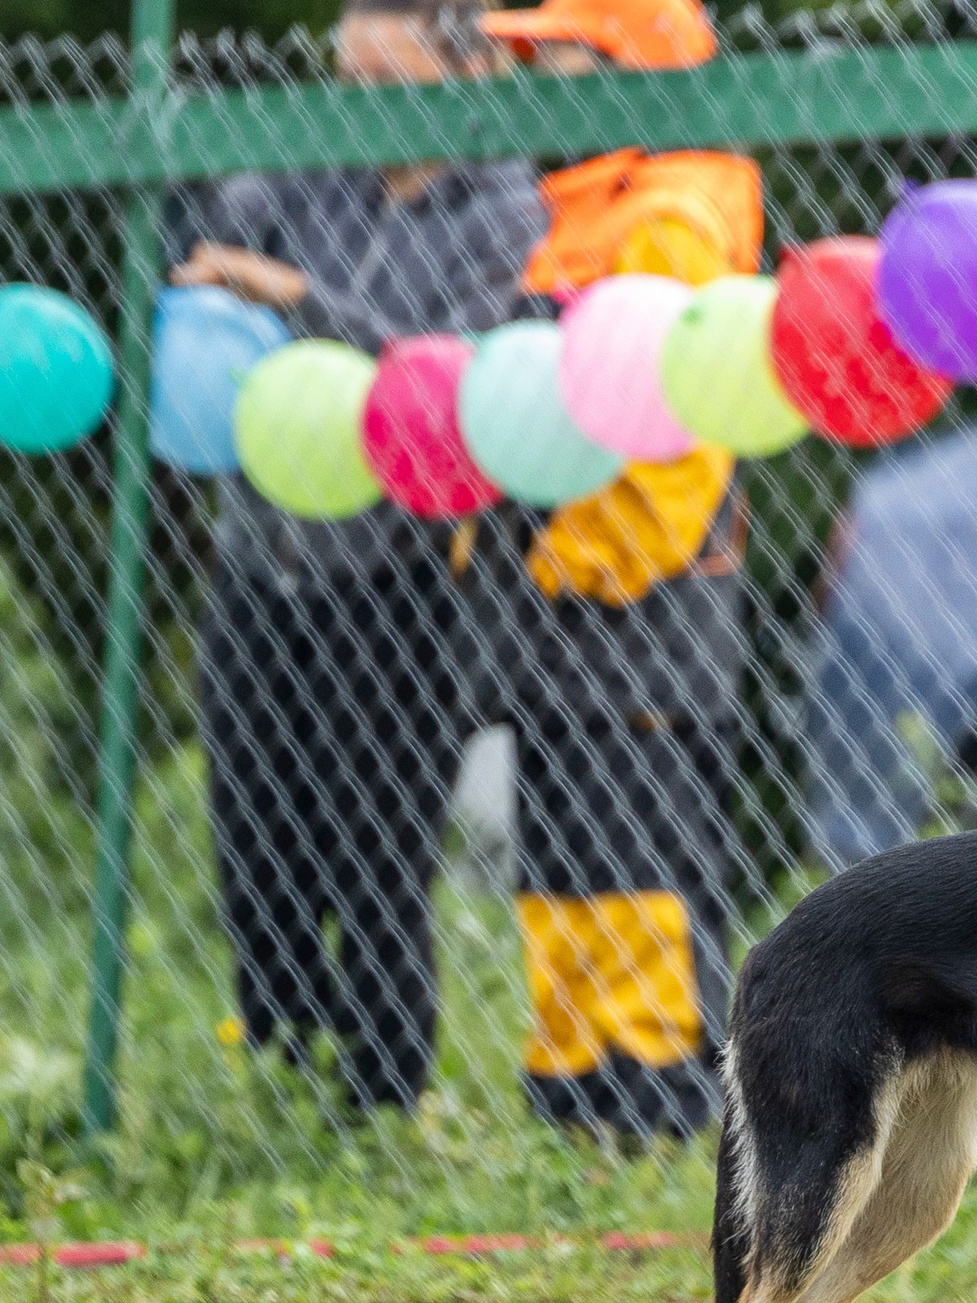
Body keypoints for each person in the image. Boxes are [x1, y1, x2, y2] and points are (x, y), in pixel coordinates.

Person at [184, 0, 547, 1111]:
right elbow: (204, 240)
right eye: (351, 83)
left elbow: (444, 371)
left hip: (391, 580)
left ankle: (384, 1098)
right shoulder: (304, 178)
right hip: (259, 562)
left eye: (391, 84)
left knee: (376, 849)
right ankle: (283, 1078)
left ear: (464, 70)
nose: (364, 109)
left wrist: (302, 297)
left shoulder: (503, 209)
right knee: (255, 843)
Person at [480, 0, 757, 1139]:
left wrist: (593, 556)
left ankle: (658, 1084)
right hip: (557, 588)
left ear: (630, 66)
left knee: (638, 837)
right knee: (563, 840)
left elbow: (677, 431)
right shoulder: (575, 210)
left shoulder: (672, 217)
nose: (536, 76)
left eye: (560, 54)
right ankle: (572, 1069)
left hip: (639, 591)